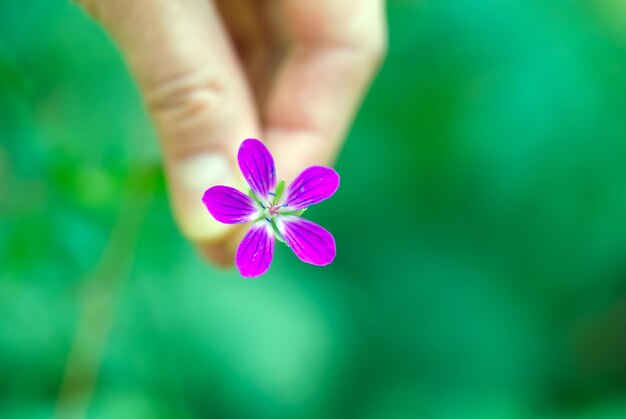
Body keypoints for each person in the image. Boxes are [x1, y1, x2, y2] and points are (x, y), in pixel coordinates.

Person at [76, 0, 387, 266]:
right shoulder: (267, 202)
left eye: (275, 208)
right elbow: (251, 156)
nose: (272, 208)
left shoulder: (267, 224)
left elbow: (321, 183)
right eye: (272, 206)